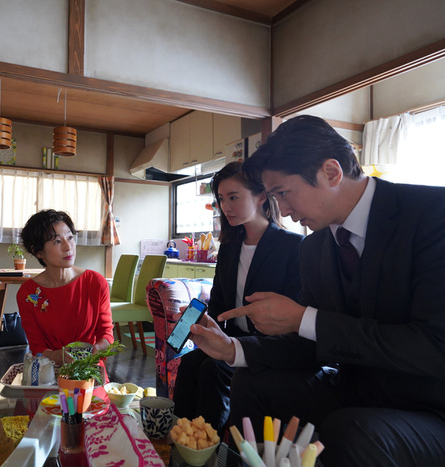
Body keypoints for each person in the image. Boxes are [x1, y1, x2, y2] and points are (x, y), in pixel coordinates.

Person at [189, 115, 445, 466]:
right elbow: (311, 345)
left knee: (351, 430)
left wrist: (304, 318)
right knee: (250, 382)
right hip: (356, 391)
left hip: (430, 406)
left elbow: (434, 345)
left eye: (283, 193)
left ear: (331, 172)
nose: (283, 209)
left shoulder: (432, 215)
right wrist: (233, 348)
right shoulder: (315, 247)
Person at [173, 161, 303, 430]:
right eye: (221, 199)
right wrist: (199, 323)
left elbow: (295, 314)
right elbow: (219, 303)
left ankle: (208, 443)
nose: (226, 207)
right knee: (189, 362)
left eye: (233, 197)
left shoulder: (292, 246)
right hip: (232, 338)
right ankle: (181, 436)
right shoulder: (230, 248)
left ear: (261, 196)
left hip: (269, 347)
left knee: (212, 369)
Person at [16, 209, 114, 365]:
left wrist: (99, 348)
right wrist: (57, 356)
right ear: (38, 251)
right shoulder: (27, 293)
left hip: (89, 369)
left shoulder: (95, 282)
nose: (68, 247)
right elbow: (37, 347)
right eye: (57, 241)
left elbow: (106, 333)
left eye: (70, 237)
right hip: (49, 370)